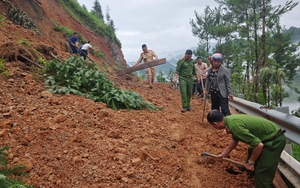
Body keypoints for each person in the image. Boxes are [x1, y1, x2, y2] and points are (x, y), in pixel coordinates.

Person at [207, 110, 286, 188]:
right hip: (268, 137)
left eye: (212, 126)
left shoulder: (234, 126)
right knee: (251, 149)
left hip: (275, 141)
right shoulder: (230, 120)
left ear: (215, 123)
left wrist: (251, 162)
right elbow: (235, 140)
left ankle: (260, 181)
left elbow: (259, 145)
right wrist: (224, 154)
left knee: (262, 172)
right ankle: (250, 175)